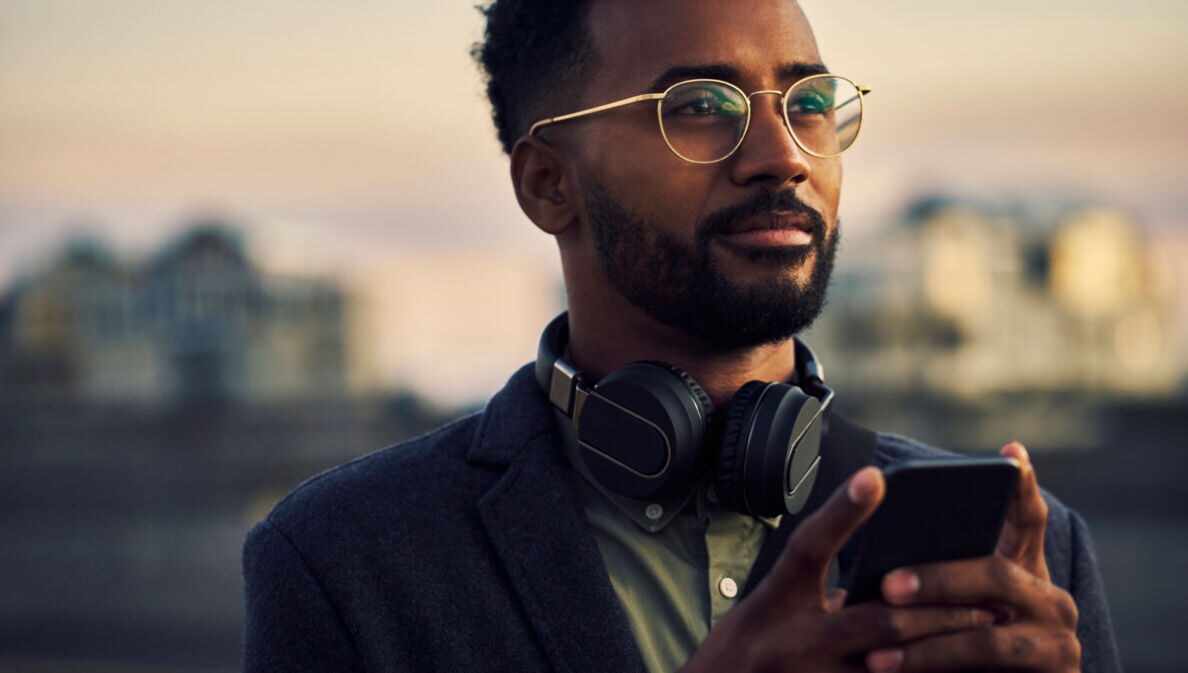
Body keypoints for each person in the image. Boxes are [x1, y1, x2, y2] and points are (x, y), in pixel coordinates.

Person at [242, 1, 1122, 671]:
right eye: (701, 104)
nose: (784, 153)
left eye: (809, 101)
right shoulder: (343, 558)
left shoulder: (1020, 555)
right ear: (550, 184)